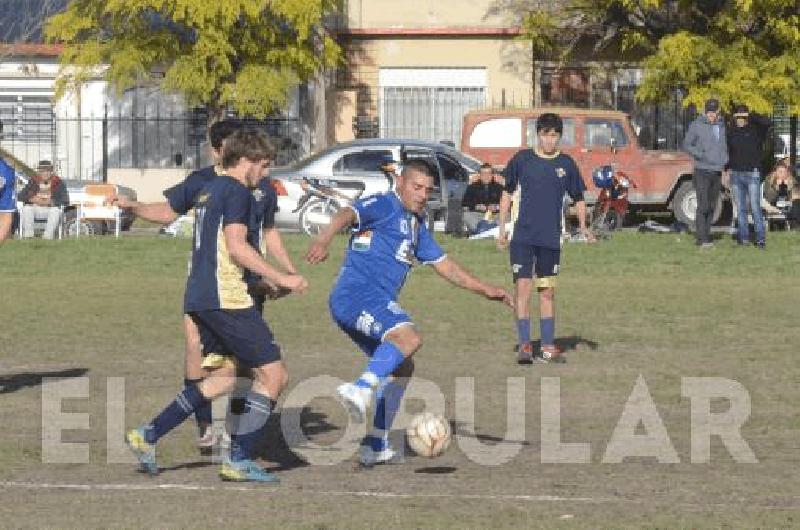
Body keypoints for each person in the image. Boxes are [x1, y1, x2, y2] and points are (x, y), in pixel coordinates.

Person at [125, 128, 307, 483]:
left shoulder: (212, 189)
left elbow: (217, 252)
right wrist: (283, 278)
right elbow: (237, 247)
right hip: (227, 299)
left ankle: (147, 435)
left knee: (227, 376)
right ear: (245, 161)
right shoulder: (238, 191)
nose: (266, 173)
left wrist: (260, 280)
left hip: (203, 296)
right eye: (264, 165)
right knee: (274, 374)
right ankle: (237, 458)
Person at [305, 159, 512, 466]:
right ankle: (360, 388)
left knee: (403, 367)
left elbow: (447, 267)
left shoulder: (415, 225)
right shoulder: (385, 204)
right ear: (401, 182)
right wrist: (323, 238)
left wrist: (486, 289)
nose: (421, 195)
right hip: (357, 295)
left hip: (366, 300)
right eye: (416, 187)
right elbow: (349, 212)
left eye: (427, 190)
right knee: (408, 337)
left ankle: (375, 444)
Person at [497, 112, 593, 365]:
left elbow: (579, 198)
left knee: (547, 292)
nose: (550, 140)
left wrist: (583, 226)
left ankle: (548, 347)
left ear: (559, 136)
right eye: (545, 134)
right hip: (523, 238)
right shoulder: (522, 160)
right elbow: (506, 194)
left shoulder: (567, 164)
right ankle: (526, 346)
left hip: (551, 239)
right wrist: (502, 228)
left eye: (554, 135)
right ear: (537, 135)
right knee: (523, 289)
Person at [682, 98, 729, 248]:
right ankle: (701, 239)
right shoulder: (696, 125)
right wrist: (700, 154)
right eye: (709, 112)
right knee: (703, 205)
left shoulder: (722, 126)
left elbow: (723, 145)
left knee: (712, 206)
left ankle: (707, 235)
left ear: (718, 112)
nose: (711, 115)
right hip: (702, 170)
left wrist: (725, 159)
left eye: (714, 112)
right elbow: (687, 144)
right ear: (705, 111)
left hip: (716, 171)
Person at [726, 104, 772, 248]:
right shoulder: (731, 132)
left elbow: (768, 122)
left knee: (755, 207)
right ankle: (744, 239)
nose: (740, 119)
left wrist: (750, 114)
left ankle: (760, 239)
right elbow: (728, 151)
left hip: (752, 173)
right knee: (740, 209)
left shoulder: (756, 130)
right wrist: (727, 168)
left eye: (742, 117)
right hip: (736, 175)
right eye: (738, 116)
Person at [18, 160, 69, 239]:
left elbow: (65, 200)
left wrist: (51, 202)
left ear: (51, 172)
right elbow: (20, 196)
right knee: (26, 208)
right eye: (42, 171)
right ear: (39, 172)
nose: (45, 173)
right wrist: (33, 199)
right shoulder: (33, 181)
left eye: (48, 171)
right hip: (36, 208)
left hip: (50, 208)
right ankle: (29, 236)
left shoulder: (58, 182)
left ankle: (48, 236)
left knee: (56, 210)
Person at [461, 163, 504, 234]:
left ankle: (489, 229)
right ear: (480, 175)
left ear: (492, 175)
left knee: (506, 215)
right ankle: (481, 230)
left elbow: (507, 203)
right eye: (483, 173)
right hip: (478, 215)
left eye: (488, 173)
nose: (486, 176)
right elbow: (464, 203)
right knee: (466, 215)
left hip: (495, 215)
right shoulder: (471, 187)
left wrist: (496, 207)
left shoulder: (500, 187)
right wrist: (476, 206)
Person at [764, 157, 800, 228]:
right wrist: (776, 187)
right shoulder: (769, 179)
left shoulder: (791, 179)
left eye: (784, 172)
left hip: (788, 206)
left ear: (787, 172)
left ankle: (796, 226)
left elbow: (795, 196)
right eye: (780, 172)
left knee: (797, 204)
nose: (782, 174)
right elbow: (768, 198)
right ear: (775, 172)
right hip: (772, 206)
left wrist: (789, 187)